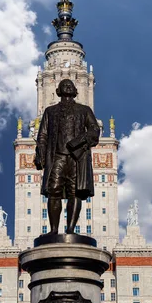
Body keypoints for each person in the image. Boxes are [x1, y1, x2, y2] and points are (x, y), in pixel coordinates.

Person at [34, 79, 100, 235]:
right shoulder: (50, 111)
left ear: (76, 90)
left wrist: (79, 141)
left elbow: (94, 130)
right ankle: (54, 230)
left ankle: (70, 229)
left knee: (75, 192)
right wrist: (40, 153)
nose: (68, 86)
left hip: (77, 157)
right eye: (64, 84)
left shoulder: (84, 110)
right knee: (53, 190)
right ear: (58, 90)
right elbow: (42, 134)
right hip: (57, 156)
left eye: (71, 85)